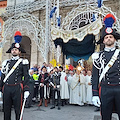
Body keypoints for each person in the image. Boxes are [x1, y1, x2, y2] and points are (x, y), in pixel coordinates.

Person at [92, 14, 120, 120]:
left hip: (119, 88)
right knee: (105, 117)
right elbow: (95, 77)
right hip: (105, 89)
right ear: (103, 41)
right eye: (106, 37)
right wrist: (94, 93)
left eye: (110, 37)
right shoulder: (98, 56)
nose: (108, 39)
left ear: (115, 39)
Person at [0, 31, 30, 120]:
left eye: (16, 49)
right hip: (7, 88)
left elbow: (26, 76)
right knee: (6, 109)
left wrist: (26, 89)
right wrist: (0, 88)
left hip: (17, 88)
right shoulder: (6, 62)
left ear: (19, 51)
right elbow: (3, 76)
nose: (14, 51)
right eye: (13, 49)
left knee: (18, 110)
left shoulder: (23, 62)